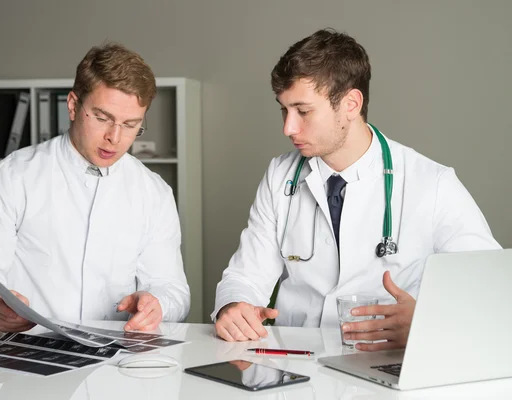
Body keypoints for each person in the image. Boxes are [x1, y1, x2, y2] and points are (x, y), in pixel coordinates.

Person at [212, 29, 500, 350]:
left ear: (351, 103)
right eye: (284, 109)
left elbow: (490, 288)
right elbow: (246, 275)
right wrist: (233, 306)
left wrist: (428, 322)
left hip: (384, 361)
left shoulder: (432, 183)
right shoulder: (281, 175)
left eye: (303, 111)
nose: (288, 128)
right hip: (295, 360)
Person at [0, 43, 190, 333]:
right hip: (26, 355)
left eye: (130, 125)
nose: (114, 137)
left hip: (114, 361)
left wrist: (158, 304)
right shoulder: (15, 175)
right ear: (74, 105)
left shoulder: (154, 192)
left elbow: (172, 288)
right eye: (102, 118)